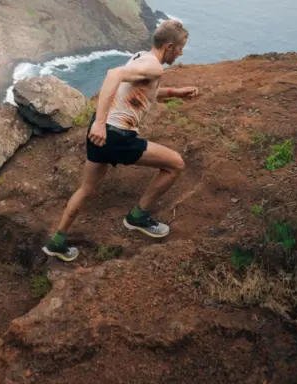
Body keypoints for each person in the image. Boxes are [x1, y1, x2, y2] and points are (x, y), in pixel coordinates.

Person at [42, 19, 199, 262]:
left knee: (87, 189)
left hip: (100, 138)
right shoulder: (156, 67)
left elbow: (141, 92)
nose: (180, 53)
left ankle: (57, 241)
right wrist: (101, 123)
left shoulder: (140, 57)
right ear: (169, 46)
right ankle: (138, 216)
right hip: (115, 135)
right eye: (180, 48)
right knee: (175, 164)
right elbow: (113, 74)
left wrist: (176, 93)